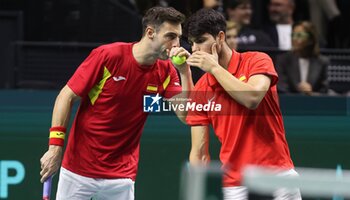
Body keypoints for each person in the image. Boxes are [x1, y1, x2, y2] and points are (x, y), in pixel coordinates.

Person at [39, 6, 193, 200]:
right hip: (78, 170)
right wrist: (55, 147)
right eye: (170, 36)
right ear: (150, 33)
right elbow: (65, 96)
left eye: (179, 37)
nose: (177, 44)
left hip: (121, 176)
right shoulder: (109, 56)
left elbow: (186, 115)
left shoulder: (166, 71)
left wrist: (184, 71)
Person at [184, 8, 301, 199]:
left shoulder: (257, 61)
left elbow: (252, 98)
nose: (195, 49)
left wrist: (214, 68)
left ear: (220, 37)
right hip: (236, 186)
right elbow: (199, 153)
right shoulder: (201, 89)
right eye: (192, 43)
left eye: (201, 41)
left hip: (279, 178)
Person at [275, 21, 329, 95]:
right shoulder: (283, 60)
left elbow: (325, 91)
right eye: (293, 35)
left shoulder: (322, 61)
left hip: (315, 104)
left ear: (310, 40)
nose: (294, 39)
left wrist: (311, 93)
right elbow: (281, 88)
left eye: (299, 35)